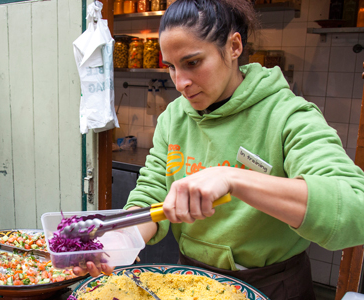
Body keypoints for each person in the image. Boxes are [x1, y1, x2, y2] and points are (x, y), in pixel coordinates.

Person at [76, 0, 364, 298]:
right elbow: (151, 194)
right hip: (189, 283)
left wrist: (233, 178)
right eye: (171, 67)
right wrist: (122, 240)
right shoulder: (174, 118)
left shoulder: (287, 115)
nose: (180, 82)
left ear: (233, 46)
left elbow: (354, 209)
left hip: (273, 285)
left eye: (192, 63)